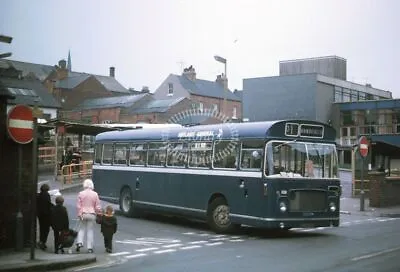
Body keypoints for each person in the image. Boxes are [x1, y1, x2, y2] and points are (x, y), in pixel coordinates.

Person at [76, 179, 102, 253]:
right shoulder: (95, 194)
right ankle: (89, 247)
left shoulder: (81, 193)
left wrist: (79, 214)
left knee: (81, 229)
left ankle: (80, 242)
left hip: (83, 213)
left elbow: (78, 206)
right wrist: (99, 212)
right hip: (92, 214)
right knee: (90, 230)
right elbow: (97, 206)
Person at [37, 183, 53, 250]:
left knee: (42, 228)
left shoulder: (39, 195)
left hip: (40, 215)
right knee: (46, 229)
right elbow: (48, 204)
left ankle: (41, 241)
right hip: (46, 214)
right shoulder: (47, 195)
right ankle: (43, 242)